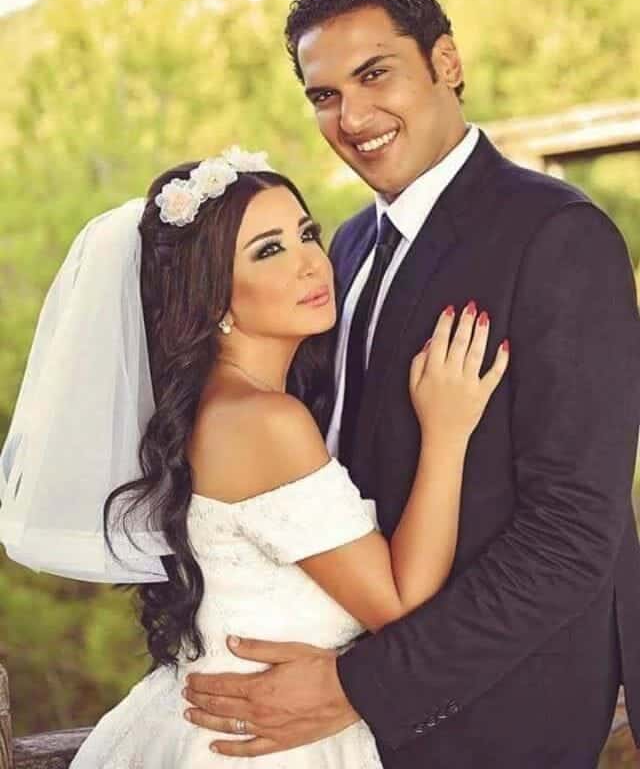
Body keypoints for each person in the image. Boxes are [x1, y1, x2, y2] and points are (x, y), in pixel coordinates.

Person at [181, 0, 640, 767]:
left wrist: (361, 686)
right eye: (325, 96)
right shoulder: (343, 248)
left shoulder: (558, 237)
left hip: (501, 708)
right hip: (344, 703)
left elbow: (572, 535)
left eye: (375, 74)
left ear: (446, 62)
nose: (353, 117)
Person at [0, 147, 507, 767]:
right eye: (269, 251)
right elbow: (400, 602)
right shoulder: (264, 422)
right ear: (213, 298)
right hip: (256, 746)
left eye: (306, 234)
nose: (311, 263)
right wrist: (448, 431)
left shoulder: (221, 409)